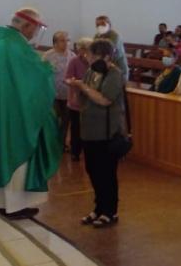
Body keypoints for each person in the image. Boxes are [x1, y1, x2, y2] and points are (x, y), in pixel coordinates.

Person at [0, 8, 60, 219]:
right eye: (35, 29)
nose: (35, 33)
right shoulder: (14, 46)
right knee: (14, 153)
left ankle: (0, 202)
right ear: (27, 25)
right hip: (14, 114)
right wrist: (46, 69)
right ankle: (14, 205)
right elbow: (31, 78)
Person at [67, 39, 128, 228]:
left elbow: (105, 99)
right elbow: (82, 100)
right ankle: (98, 208)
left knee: (106, 173)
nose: (89, 59)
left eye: (93, 56)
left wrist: (83, 87)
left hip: (107, 131)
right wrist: (76, 88)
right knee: (92, 170)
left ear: (107, 57)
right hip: (89, 130)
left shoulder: (114, 74)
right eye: (89, 55)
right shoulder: (91, 71)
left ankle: (110, 211)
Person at [43, 31, 76, 152]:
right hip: (53, 93)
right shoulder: (47, 56)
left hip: (68, 94)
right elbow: (42, 74)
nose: (66, 43)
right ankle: (51, 144)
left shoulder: (72, 56)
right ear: (55, 43)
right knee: (54, 119)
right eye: (62, 40)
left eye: (68, 40)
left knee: (66, 120)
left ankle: (61, 144)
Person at [64, 38, 92, 162]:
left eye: (88, 49)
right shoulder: (74, 61)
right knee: (76, 128)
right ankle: (75, 152)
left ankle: (88, 151)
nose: (85, 52)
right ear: (80, 50)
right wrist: (73, 82)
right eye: (83, 49)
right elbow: (67, 78)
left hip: (90, 100)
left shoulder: (94, 62)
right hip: (76, 99)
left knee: (88, 127)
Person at [94, 15, 129, 81]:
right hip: (104, 65)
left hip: (117, 65)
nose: (100, 27)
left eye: (103, 24)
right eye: (98, 25)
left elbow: (109, 50)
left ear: (109, 25)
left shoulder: (115, 35)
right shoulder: (97, 36)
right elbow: (94, 49)